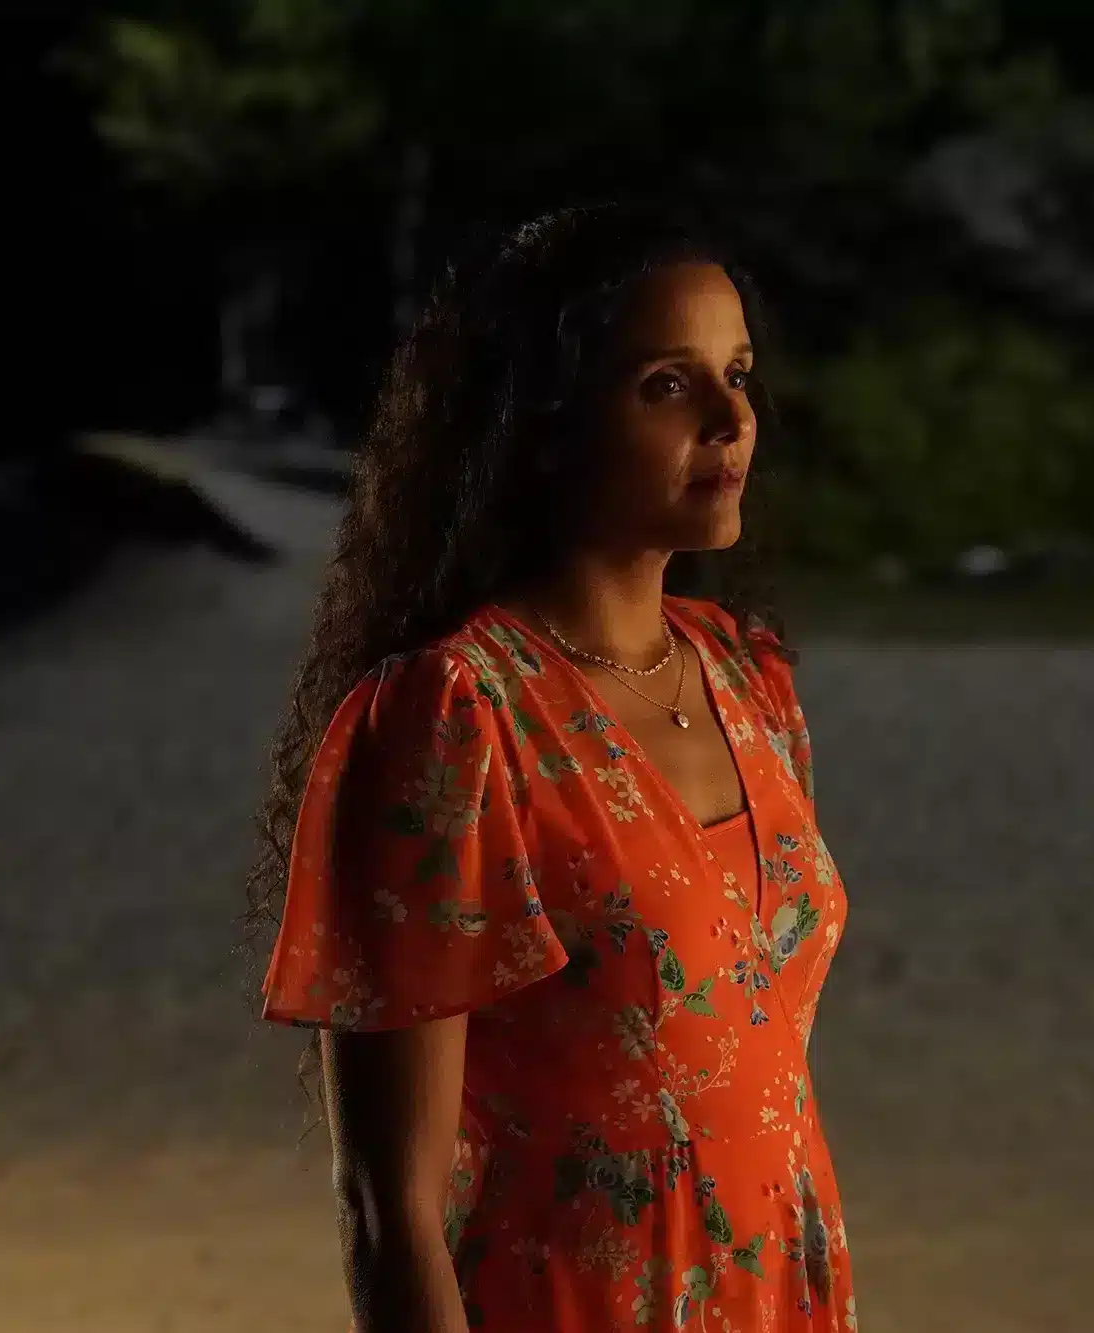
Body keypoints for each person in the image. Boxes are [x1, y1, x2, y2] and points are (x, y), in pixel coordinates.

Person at [243, 203, 856, 1331]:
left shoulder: (747, 678)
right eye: (666, 385)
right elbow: (389, 1207)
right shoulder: (454, 720)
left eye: (736, 374)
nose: (732, 419)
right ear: (540, 424)